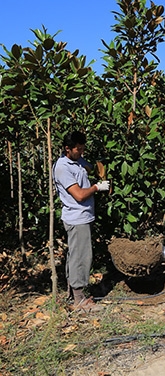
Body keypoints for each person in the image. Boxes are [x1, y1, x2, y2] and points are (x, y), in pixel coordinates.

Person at [53, 131, 110, 310]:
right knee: (81, 257)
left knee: (75, 255)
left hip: (83, 216)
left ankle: (73, 294)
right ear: (67, 149)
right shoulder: (63, 167)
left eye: (83, 149)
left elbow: (90, 167)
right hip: (77, 218)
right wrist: (96, 187)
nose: (81, 153)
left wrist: (100, 168)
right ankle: (80, 300)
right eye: (79, 149)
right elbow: (78, 195)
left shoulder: (77, 161)